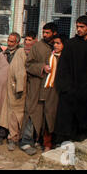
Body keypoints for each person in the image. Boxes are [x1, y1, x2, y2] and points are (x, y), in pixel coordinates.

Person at [54, 16, 87, 144]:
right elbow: (63, 68)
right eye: (77, 26)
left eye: (82, 27)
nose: (79, 29)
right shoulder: (71, 44)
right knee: (66, 119)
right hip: (70, 89)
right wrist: (65, 88)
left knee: (82, 117)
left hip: (86, 88)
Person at [20, 23, 58, 156]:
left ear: (54, 33)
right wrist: (42, 67)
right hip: (36, 85)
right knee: (32, 113)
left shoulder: (58, 46)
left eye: (47, 33)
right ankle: (26, 141)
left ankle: (41, 141)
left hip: (51, 89)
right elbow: (28, 65)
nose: (45, 35)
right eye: (44, 32)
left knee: (47, 115)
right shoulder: (37, 46)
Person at [2, 31, 37, 151]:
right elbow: (18, 71)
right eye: (26, 40)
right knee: (14, 115)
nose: (27, 43)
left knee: (28, 116)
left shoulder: (37, 53)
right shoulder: (20, 53)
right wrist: (18, 87)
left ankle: (27, 140)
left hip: (32, 90)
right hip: (17, 89)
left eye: (30, 40)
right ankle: (12, 138)